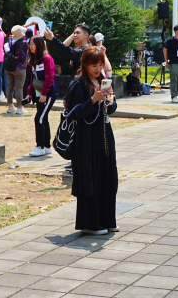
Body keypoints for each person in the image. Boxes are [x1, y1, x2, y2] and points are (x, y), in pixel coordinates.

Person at [66, 46, 118, 235]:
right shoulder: (78, 84)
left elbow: (110, 109)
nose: (97, 69)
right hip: (86, 140)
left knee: (108, 178)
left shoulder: (102, 80)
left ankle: (107, 219)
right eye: (93, 65)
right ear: (85, 64)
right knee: (91, 179)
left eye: (100, 65)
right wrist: (93, 100)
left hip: (104, 136)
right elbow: (72, 113)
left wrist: (110, 101)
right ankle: (91, 223)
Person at [28, 36, 58, 157]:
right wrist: (30, 93)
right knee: (43, 118)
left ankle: (40, 146)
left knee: (39, 118)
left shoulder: (47, 59)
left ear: (39, 45)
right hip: (39, 93)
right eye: (29, 44)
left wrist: (45, 93)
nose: (30, 46)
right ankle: (46, 146)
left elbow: (50, 78)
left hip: (49, 93)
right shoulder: (35, 59)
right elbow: (33, 78)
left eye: (32, 44)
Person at [4, 25, 29, 115]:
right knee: (19, 88)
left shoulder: (10, 40)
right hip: (20, 67)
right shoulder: (24, 42)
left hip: (9, 66)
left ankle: (10, 106)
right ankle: (19, 107)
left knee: (10, 87)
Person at [163, 25, 178, 103]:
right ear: (176, 31)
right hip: (173, 62)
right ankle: (174, 95)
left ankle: (176, 94)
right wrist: (166, 61)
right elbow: (165, 50)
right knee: (174, 79)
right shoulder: (170, 40)